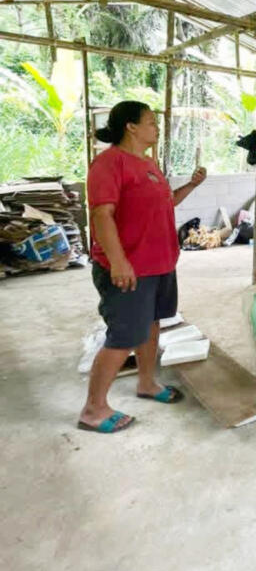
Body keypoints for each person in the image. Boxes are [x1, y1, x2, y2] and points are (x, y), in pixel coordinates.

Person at [78, 101, 207, 434]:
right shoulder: (109, 164)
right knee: (123, 337)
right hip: (129, 268)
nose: (156, 128)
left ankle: (147, 383)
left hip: (159, 264)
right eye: (151, 122)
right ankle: (93, 410)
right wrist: (119, 261)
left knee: (151, 326)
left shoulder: (148, 164)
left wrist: (191, 185)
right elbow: (102, 215)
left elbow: (166, 202)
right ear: (130, 127)